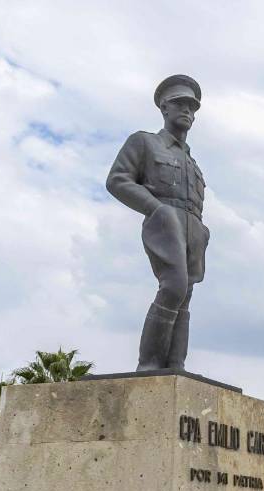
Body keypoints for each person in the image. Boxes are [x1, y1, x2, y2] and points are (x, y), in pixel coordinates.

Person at [106, 74, 209, 371]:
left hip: (193, 228)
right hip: (164, 219)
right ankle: (149, 364)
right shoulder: (145, 143)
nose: (187, 111)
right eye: (180, 104)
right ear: (164, 108)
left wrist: (202, 231)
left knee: (186, 293)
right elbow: (117, 180)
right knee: (173, 286)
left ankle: (176, 364)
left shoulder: (193, 164)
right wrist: (155, 208)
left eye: (192, 106)